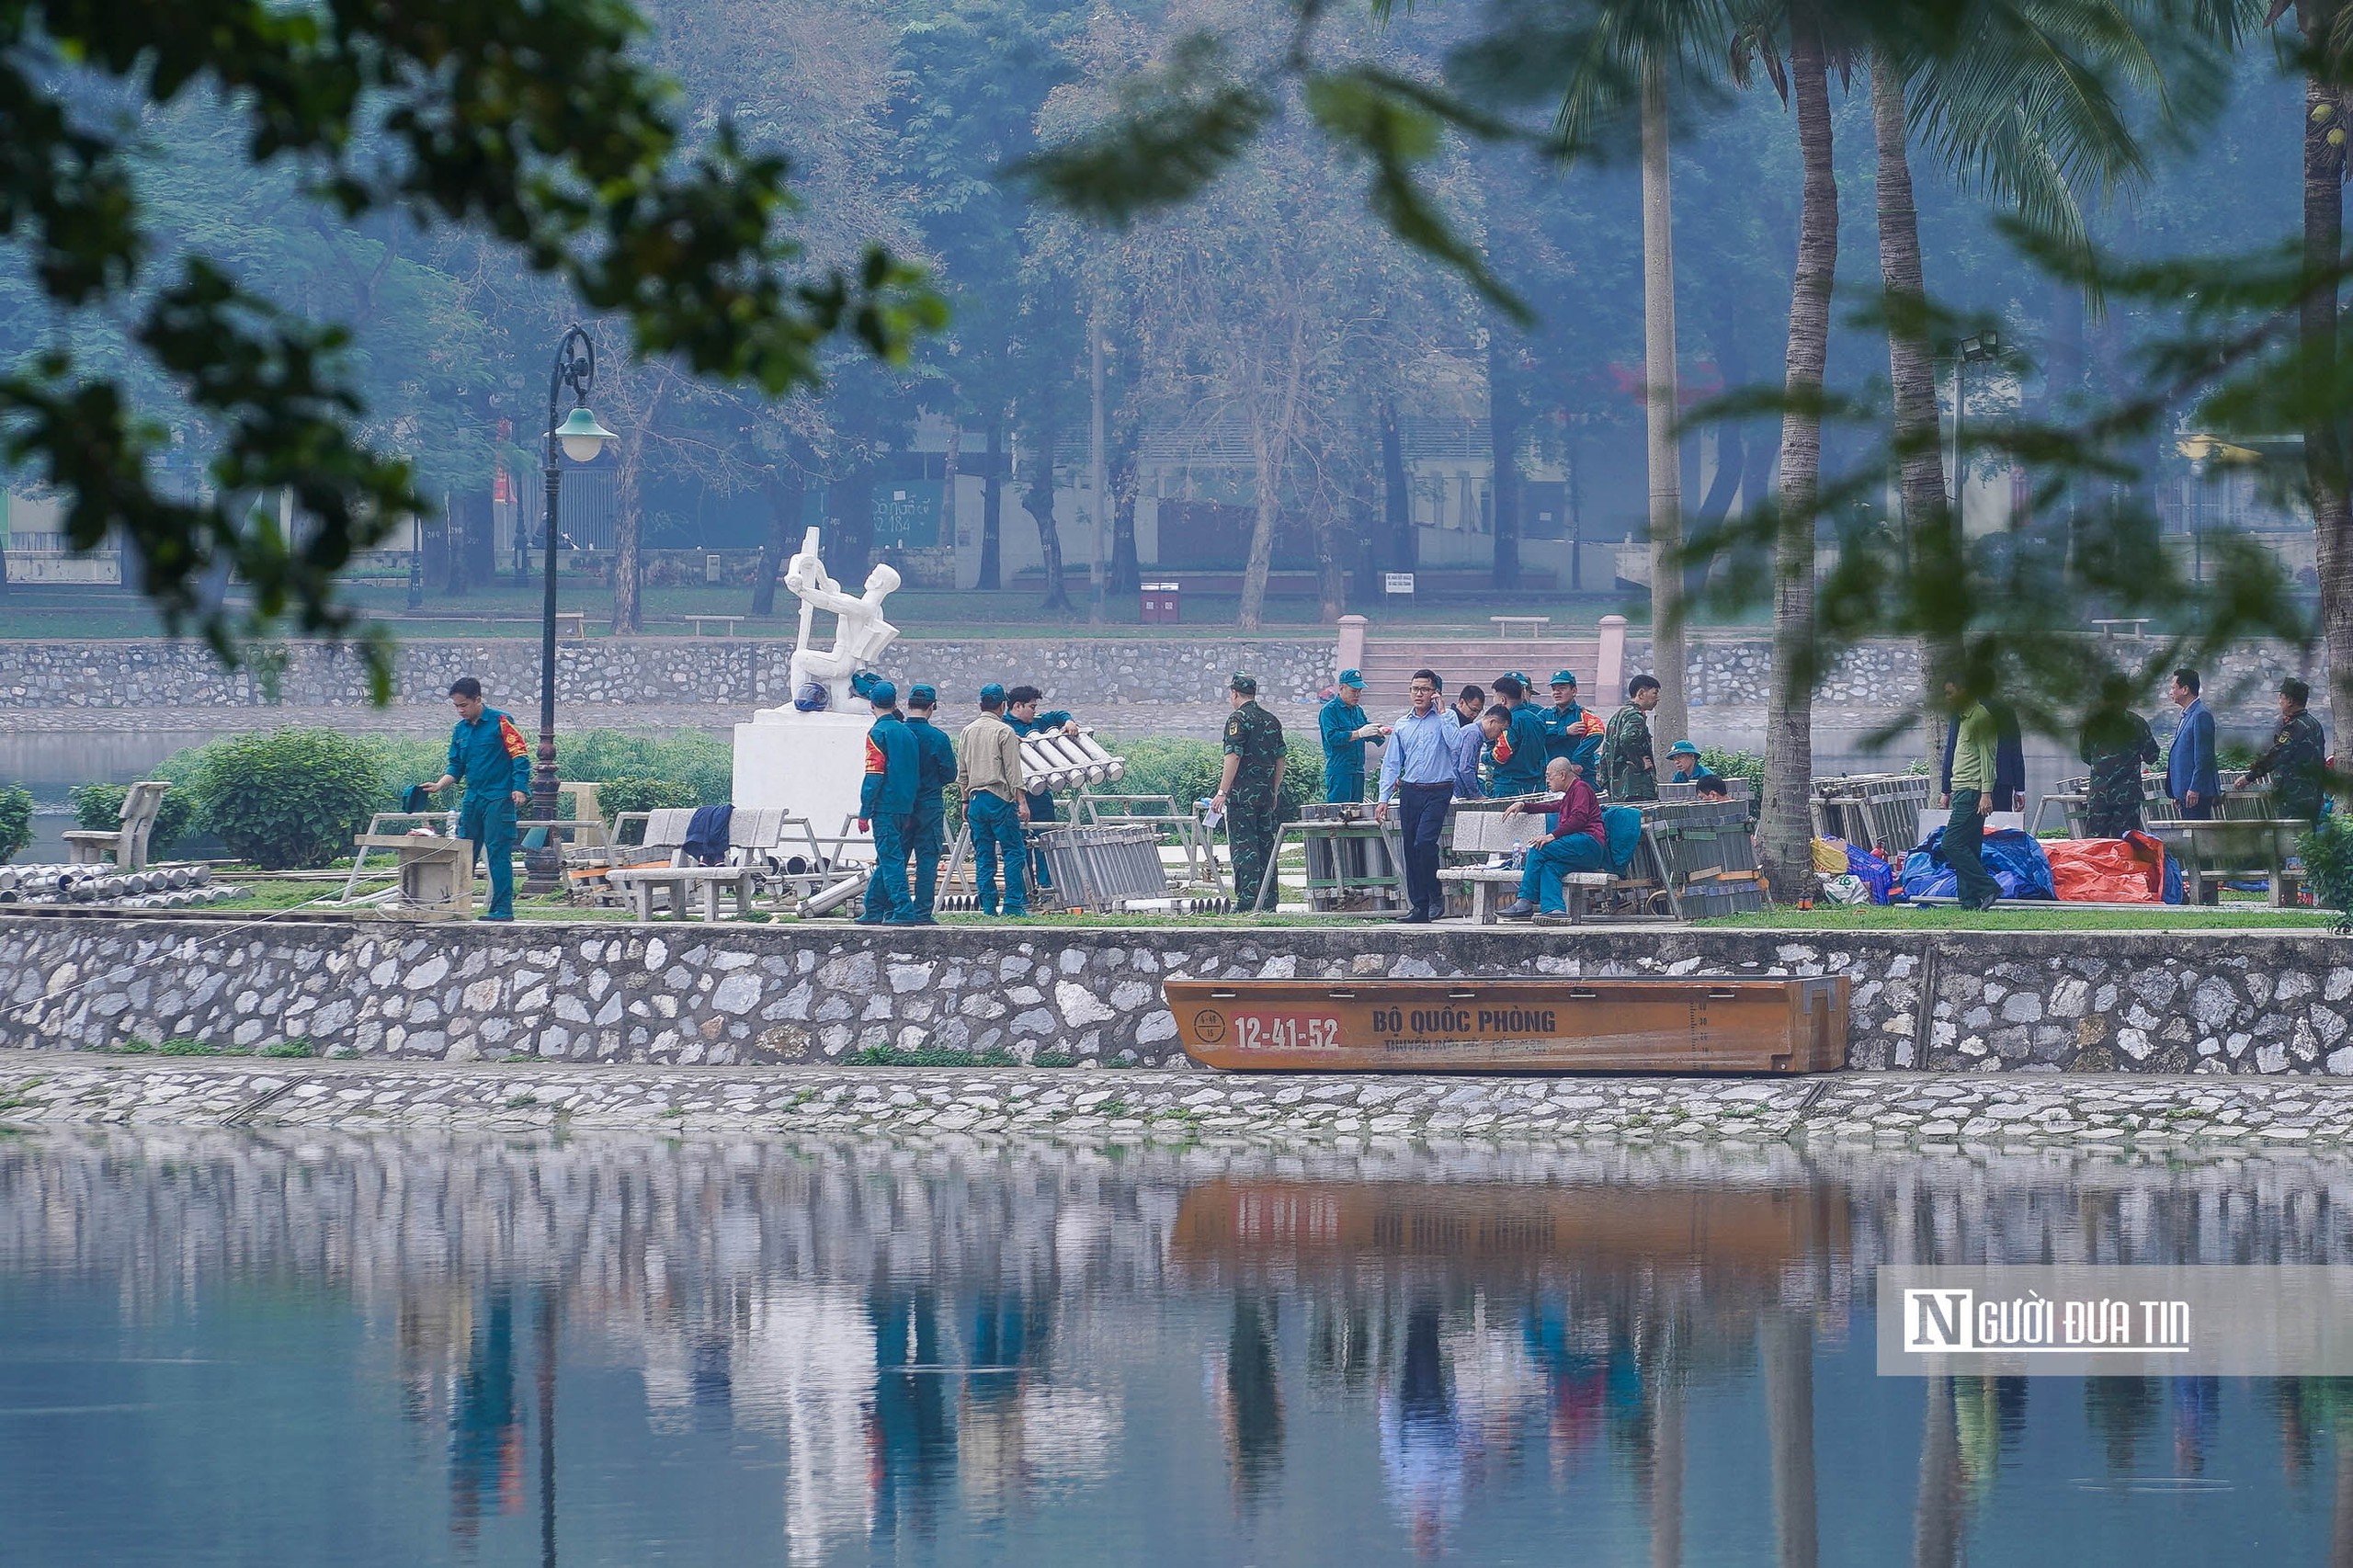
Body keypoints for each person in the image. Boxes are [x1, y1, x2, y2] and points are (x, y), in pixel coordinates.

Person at [430, 676, 531, 922]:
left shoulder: (501, 722)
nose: (460, 710)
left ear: (478, 700)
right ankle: (457, 905)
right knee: (464, 851)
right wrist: (438, 785)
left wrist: (519, 788)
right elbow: (456, 766)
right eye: (456, 706)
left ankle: (502, 909)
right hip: (472, 798)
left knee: (498, 852)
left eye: (464, 705)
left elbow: (520, 755)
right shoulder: (460, 731)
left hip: (498, 797)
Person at [1375, 669, 1456, 923]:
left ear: (1435, 693)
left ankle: (1435, 894)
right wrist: (1383, 798)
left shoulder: (1447, 717)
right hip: (1411, 791)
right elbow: (1392, 763)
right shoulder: (1402, 724)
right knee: (1410, 849)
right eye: (1414, 689)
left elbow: (1456, 744)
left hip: (1439, 790)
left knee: (1424, 844)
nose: (1419, 694)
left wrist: (1442, 712)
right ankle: (1419, 907)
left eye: (1425, 689)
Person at [1211, 674, 1288, 912]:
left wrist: (1222, 791)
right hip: (1265, 795)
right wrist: (1274, 790)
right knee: (1267, 847)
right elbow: (1280, 758)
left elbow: (1233, 755)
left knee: (1244, 848)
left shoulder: (1238, 719)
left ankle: (1247, 901)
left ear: (1234, 693)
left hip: (1242, 797)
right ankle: (1268, 900)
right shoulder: (1271, 720)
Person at [1498, 757, 1607, 918]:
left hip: (1588, 844)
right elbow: (1551, 807)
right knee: (1550, 866)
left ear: (1562, 775)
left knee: (1538, 848)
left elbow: (1579, 818)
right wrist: (1524, 805)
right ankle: (1554, 910)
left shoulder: (1581, 788)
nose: (1547, 780)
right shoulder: (1570, 793)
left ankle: (1525, 900)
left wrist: (1551, 836)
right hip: (1575, 849)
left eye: (1549, 776)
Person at [957, 682, 1029, 917]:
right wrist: (1022, 802)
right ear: (1003, 706)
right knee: (1013, 852)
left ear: (980, 705)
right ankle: (1012, 905)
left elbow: (963, 772)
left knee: (984, 856)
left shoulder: (967, 731)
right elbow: (1013, 772)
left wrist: (965, 801)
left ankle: (988, 907)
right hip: (999, 799)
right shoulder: (1004, 731)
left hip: (976, 800)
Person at [855, 680, 918, 925]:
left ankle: (903, 908)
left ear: (871, 704)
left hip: (885, 807)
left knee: (890, 860)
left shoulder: (877, 734)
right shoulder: (907, 733)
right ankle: (873, 908)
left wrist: (865, 811)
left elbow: (874, 776)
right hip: (905, 806)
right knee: (887, 858)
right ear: (894, 703)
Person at [1006, 684, 1076, 892]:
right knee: (1020, 845)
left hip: (1040, 795)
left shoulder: (1037, 723)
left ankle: (1047, 886)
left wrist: (1068, 720)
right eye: (1032, 707)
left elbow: (1057, 715)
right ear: (1017, 706)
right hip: (1016, 796)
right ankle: (1025, 891)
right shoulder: (1003, 727)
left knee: (1046, 841)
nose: (1034, 711)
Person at [1943, 679, 2005, 912]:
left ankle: (1988, 887)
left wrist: (1986, 793)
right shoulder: (1963, 719)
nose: (1948, 699)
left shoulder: (1981, 718)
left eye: (1951, 693)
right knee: (1968, 846)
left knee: (1951, 843)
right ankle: (1968, 901)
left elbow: (1988, 758)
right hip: (1961, 790)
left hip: (1973, 792)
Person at [902, 685, 958, 924]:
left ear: (907, 704)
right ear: (932, 706)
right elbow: (949, 774)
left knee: (896, 858)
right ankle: (922, 911)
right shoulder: (939, 738)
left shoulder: (897, 734)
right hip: (930, 804)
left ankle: (895, 908)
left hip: (901, 806)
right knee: (927, 859)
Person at [2077, 681, 2159, 838]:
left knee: (2095, 846)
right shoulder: (2137, 723)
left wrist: (2102, 764)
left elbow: (2085, 755)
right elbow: (2152, 756)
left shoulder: (2091, 724)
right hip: (2127, 797)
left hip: (2098, 795)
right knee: (2126, 845)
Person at [2243, 676, 2328, 823]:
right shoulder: (2315, 724)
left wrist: (2249, 777)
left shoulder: (2294, 727)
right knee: (2308, 840)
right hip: (2313, 796)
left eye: (2281, 697)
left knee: (2291, 841)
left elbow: (2276, 755)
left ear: (2290, 701)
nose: (2279, 701)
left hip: (2294, 797)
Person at [1940, 695, 2026, 813]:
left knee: (1968, 827)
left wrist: (1946, 790)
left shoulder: (1964, 708)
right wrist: (2019, 789)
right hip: (2002, 781)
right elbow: (2016, 751)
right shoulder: (2006, 709)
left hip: (1970, 782)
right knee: (1998, 828)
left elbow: (1951, 748)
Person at [1320, 669, 1389, 803]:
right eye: (1353, 691)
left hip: (1358, 770)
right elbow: (1333, 737)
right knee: (1339, 813)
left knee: (1357, 811)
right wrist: (1359, 733)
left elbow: (1365, 728)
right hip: (1340, 770)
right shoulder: (1330, 710)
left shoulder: (1357, 710)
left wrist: (1378, 731)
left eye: (1360, 691)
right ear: (1341, 688)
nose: (1357, 695)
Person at [2165, 667, 2219, 820]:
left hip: (2195, 794)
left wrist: (2195, 788)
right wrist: (2178, 791)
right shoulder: (2187, 715)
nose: (2170, 692)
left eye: (2173, 688)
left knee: (2198, 836)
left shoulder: (2201, 715)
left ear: (2185, 689)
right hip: (2185, 792)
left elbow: (2204, 756)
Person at [1599, 675, 1662, 801]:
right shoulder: (1635, 717)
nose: (1657, 698)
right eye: (1654, 693)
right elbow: (1627, 739)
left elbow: (1605, 754)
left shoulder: (1616, 717)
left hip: (1618, 791)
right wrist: (1640, 762)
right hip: (1636, 789)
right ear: (1641, 693)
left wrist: (1607, 783)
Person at [1486, 674, 1550, 797]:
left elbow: (1500, 755)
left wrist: (1485, 757)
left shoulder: (1507, 722)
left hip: (1509, 787)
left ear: (1502, 700)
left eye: (1494, 697)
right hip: (1536, 786)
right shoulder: (1537, 720)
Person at [1538, 671, 1604, 774]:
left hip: (1581, 774)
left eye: (1562, 689)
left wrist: (1576, 760)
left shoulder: (1585, 716)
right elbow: (1537, 738)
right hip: (1553, 776)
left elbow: (1597, 735)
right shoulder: (1544, 715)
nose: (1556, 692)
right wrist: (1565, 731)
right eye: (1554, 689)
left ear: (1574, 691)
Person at [1454, 707, 1505, 801]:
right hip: (1455, 789)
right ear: (1492, 722)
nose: (1499, 735)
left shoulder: (1474, 731)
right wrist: (1477, 795)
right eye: (1501, 730)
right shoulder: (1474, 734)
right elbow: (1465, 768)